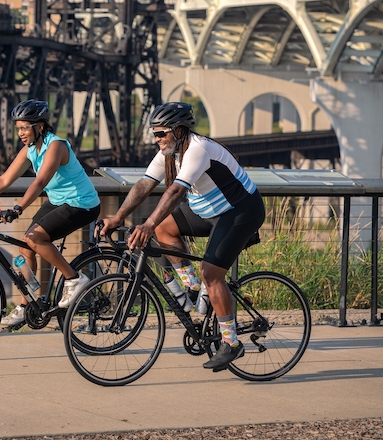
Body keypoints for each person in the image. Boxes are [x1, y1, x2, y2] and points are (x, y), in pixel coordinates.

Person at [99, 101, 265, 372]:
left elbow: (175, 192)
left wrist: (148, 225)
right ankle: (193, 289)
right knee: (165, 229)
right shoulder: (170, 152)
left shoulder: (197, 149)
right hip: (208, 211)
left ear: (178, 130)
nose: (157, 140)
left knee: (211, 273)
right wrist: (118, 218)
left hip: (240, 212)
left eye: (161, 133)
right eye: (154, 134)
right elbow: (144, 184)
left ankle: (231, 342)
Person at [0, 99, 100, 327]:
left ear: (39, 126)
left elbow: (41, 181)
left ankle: (75, 278)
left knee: (36, 238)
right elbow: (3, 180)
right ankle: (27, 304)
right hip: (58, 201)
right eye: (18, 128)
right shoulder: (31, 150)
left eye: (24, 127)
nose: (20, 133)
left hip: (82, 203)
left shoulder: (57, 146)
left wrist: (18, 208)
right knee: (24, 247)